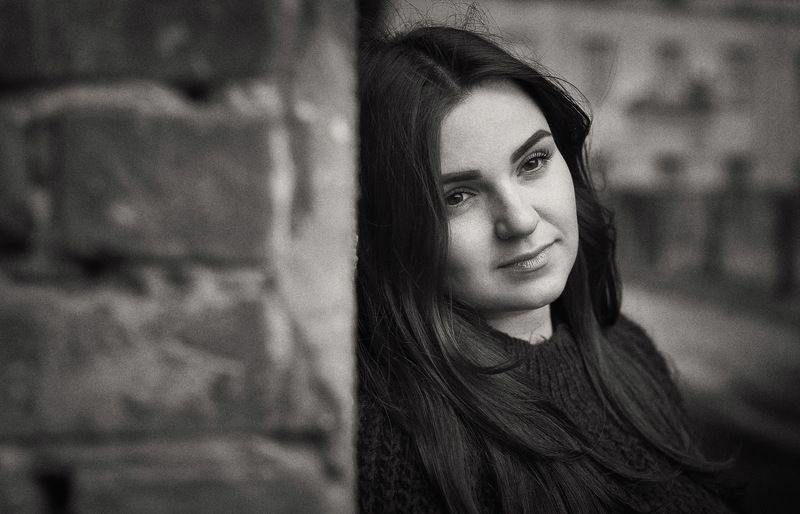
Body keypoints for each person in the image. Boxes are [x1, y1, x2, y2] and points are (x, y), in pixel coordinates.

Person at [356, 24, 738, 514]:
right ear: (393, 226)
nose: (519, 219)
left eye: (533, 162)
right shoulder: (392, 440)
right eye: (457, 196)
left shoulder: (627, 351)